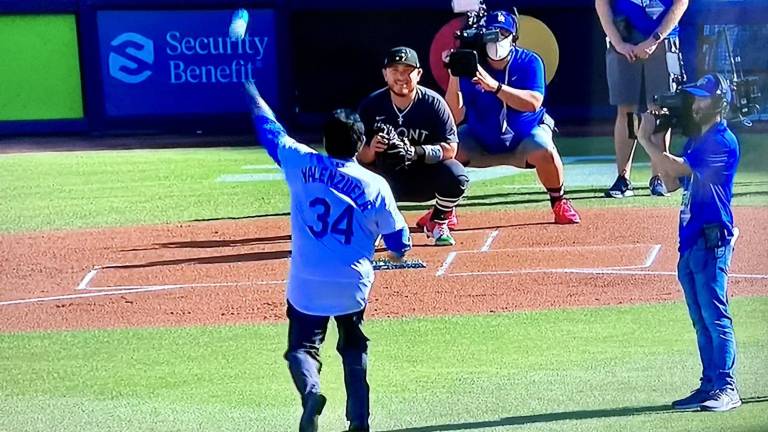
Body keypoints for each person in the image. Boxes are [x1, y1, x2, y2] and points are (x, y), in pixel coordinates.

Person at [244, 81, 412, 432]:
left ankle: (311, 393)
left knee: (301, 349)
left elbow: (269, 129)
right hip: (353, 284)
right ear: (361, 143)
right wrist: (396, 255)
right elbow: (398, 241)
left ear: (325, 140)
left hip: (306, 284)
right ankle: (359, 422)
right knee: (353, 347)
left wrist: (252, 92)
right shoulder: (375, 184)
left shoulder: (299, 161)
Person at [636, 74, 741, 412]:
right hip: (691, 240)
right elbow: (670, 182)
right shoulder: (697, 142)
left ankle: (726, 387)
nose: (696, 104)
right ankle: (709, 384)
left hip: (712, 240)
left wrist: (646, 140)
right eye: (694, 98)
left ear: (719, 103)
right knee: (700, 319)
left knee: (715, 316)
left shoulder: (722, 141)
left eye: (702, 98)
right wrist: (658, 140)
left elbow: (677, 168)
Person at [444, 10, 581, 224]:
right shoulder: (472, 64)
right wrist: (454, 75)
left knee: (545, 149)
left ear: (513, 38)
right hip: (479, 137)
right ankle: (445, 210)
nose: (497, 40)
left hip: (524, 136)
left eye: (504, 34)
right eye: (492, 34)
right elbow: (454, 115)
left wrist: (495, 87)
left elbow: (533, 103)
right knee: (448, 150)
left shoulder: (529, 61)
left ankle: (559, 201)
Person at [358, 46, 469, 246]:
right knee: (354, 174)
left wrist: (416, 152)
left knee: (456, 175)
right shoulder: (371, 105)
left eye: (408, 70)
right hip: (385, 178)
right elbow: (358, 157)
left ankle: (437, 221)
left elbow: (451, 149)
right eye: (395, 70)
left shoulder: (433, 104)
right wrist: (372, 149)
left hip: (424, 175)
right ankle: (376, 222)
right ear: (385, 74)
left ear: (418, 74)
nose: (401, 76)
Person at [595, 0, 689, 198]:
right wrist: (618, 43)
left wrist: (655, 39)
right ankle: (623, 178)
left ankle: (659, 177)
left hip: (663, 40)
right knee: (626, 111)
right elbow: (602, 4)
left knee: (659, 109)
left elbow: (681, 3)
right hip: (624, 40)